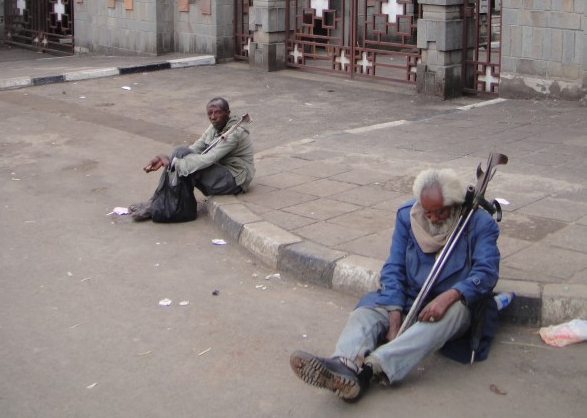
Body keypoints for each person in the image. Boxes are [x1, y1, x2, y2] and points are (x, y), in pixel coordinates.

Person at [290, 167, 500, 401]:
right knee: (366, 312)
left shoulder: (479, 223)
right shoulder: (407, 215)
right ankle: (344, 364)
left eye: (439, 212)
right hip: (410, 295)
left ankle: (372, 369)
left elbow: (487, 272)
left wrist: (451, 295)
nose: (431, 218)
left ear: (453, 205)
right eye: (427, 211)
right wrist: (393, 311)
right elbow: (394, 267)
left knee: (451, 315)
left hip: (453, 302)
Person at [130, 97, 254, 221]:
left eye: (218, 112)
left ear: (228, 113)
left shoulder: (235, 132)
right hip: (221, 171)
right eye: (210, 113)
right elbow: (195, 148)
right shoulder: (214, 126)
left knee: (187, 167)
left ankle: (160, 206)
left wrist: (172, 163)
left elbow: (209, 158)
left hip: (235, 179)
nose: (213, 117)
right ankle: (156, 202)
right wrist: (169, 158)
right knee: (180, 151)